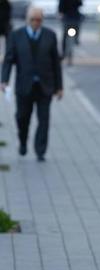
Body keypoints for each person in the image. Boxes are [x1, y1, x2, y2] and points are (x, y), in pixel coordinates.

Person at [1, 7, 63, 162]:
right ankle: (22, 141)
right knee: (22, 117)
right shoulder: (16, 36)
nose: (36, 23)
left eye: (39, 20)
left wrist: (59, 87)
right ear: (27, 20)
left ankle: (40, 150)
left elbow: (56, 63)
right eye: (33, 20)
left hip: (45, 86)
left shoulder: (50, 36)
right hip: (24, 86)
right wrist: (4, 80)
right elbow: (9, 59)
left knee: (44, 120)